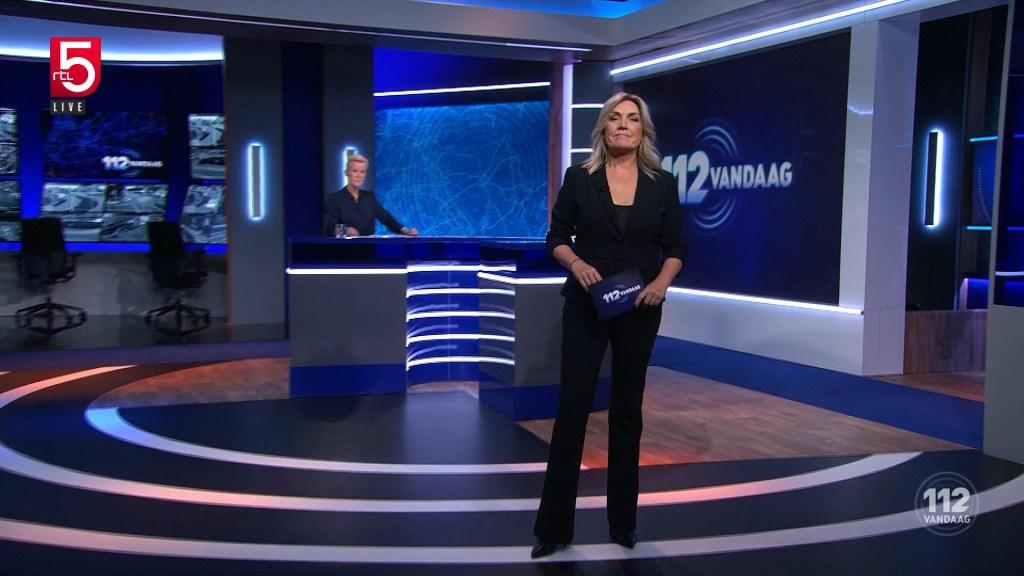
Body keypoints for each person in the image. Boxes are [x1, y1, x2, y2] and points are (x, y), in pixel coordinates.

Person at [531, 92, 687, 559]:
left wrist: (660, 283)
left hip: (640, 307)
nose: (623, 125)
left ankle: (623, 524)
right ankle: (554, 529)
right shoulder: (580, 177)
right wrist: (576, 263)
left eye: (632, 119)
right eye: (615, 118)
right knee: (572, 409)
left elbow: (676, 246)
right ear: (602, 127)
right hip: (587, 306)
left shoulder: (662, 183)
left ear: (643, 130)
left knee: (626, 412)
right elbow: (555, 237)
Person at [324, 154, 418, 237]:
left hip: (368, 249)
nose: (359, 175)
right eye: (355, 171)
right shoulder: (334, 199)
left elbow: (387, 218)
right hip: (343, 249)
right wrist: (345, 231)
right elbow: (329, 227)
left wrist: (405, 230)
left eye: (362, 172)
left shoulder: (369, 198)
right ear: (346, 173)